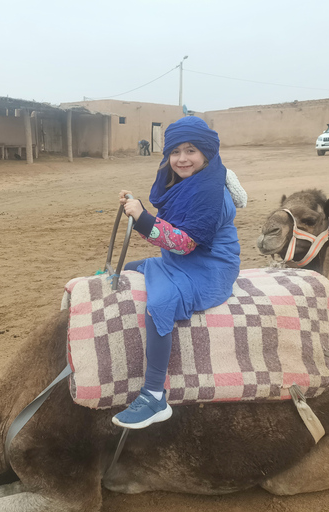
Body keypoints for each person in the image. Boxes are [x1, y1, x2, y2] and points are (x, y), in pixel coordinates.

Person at [113, 117, 241, 429]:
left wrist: (142, 217)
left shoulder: (213, 194)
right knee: (131, 270)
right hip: (177, 261)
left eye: (191, 151)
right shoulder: (184, 184)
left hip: (207, 268)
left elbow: (183, 242)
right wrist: (139, 208)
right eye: (175, 152)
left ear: (206, 154)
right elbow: (172, 227)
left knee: (160, 305)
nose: (182, 159)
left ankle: (155, 395)